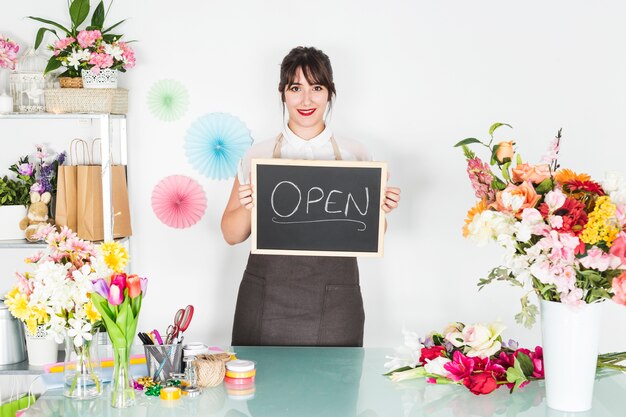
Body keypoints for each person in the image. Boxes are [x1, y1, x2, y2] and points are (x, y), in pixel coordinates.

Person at [221, 46, 400, 347]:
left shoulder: (356, 154)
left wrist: (380, 211)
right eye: (295, 88)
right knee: (264, 391)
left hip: (336, 299)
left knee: (335, 391)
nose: (306, 100)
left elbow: (372, 233)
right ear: (283, 94)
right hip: (266, 296)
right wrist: (253, 206)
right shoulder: (258, 154)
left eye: (316, 87)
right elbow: (231, 234)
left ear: (330, 92)